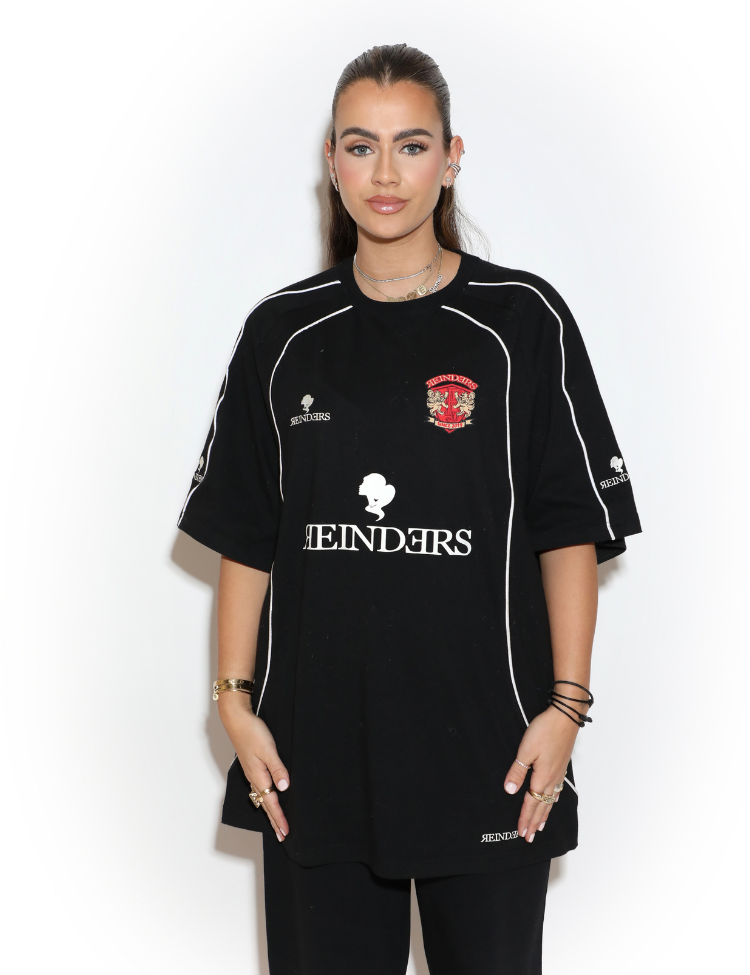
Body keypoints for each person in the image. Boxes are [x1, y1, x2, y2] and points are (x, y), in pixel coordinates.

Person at [177, 43, 641, 975]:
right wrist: (233, 703)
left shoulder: (522, 320)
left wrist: (566, 708)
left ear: (451, 158)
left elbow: (568, 529)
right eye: (361, 146)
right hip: (313, 762)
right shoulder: (282, 332)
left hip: (495, 756)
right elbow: (246, 533)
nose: (385, 174)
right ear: (331, 161)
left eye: (412, 145)